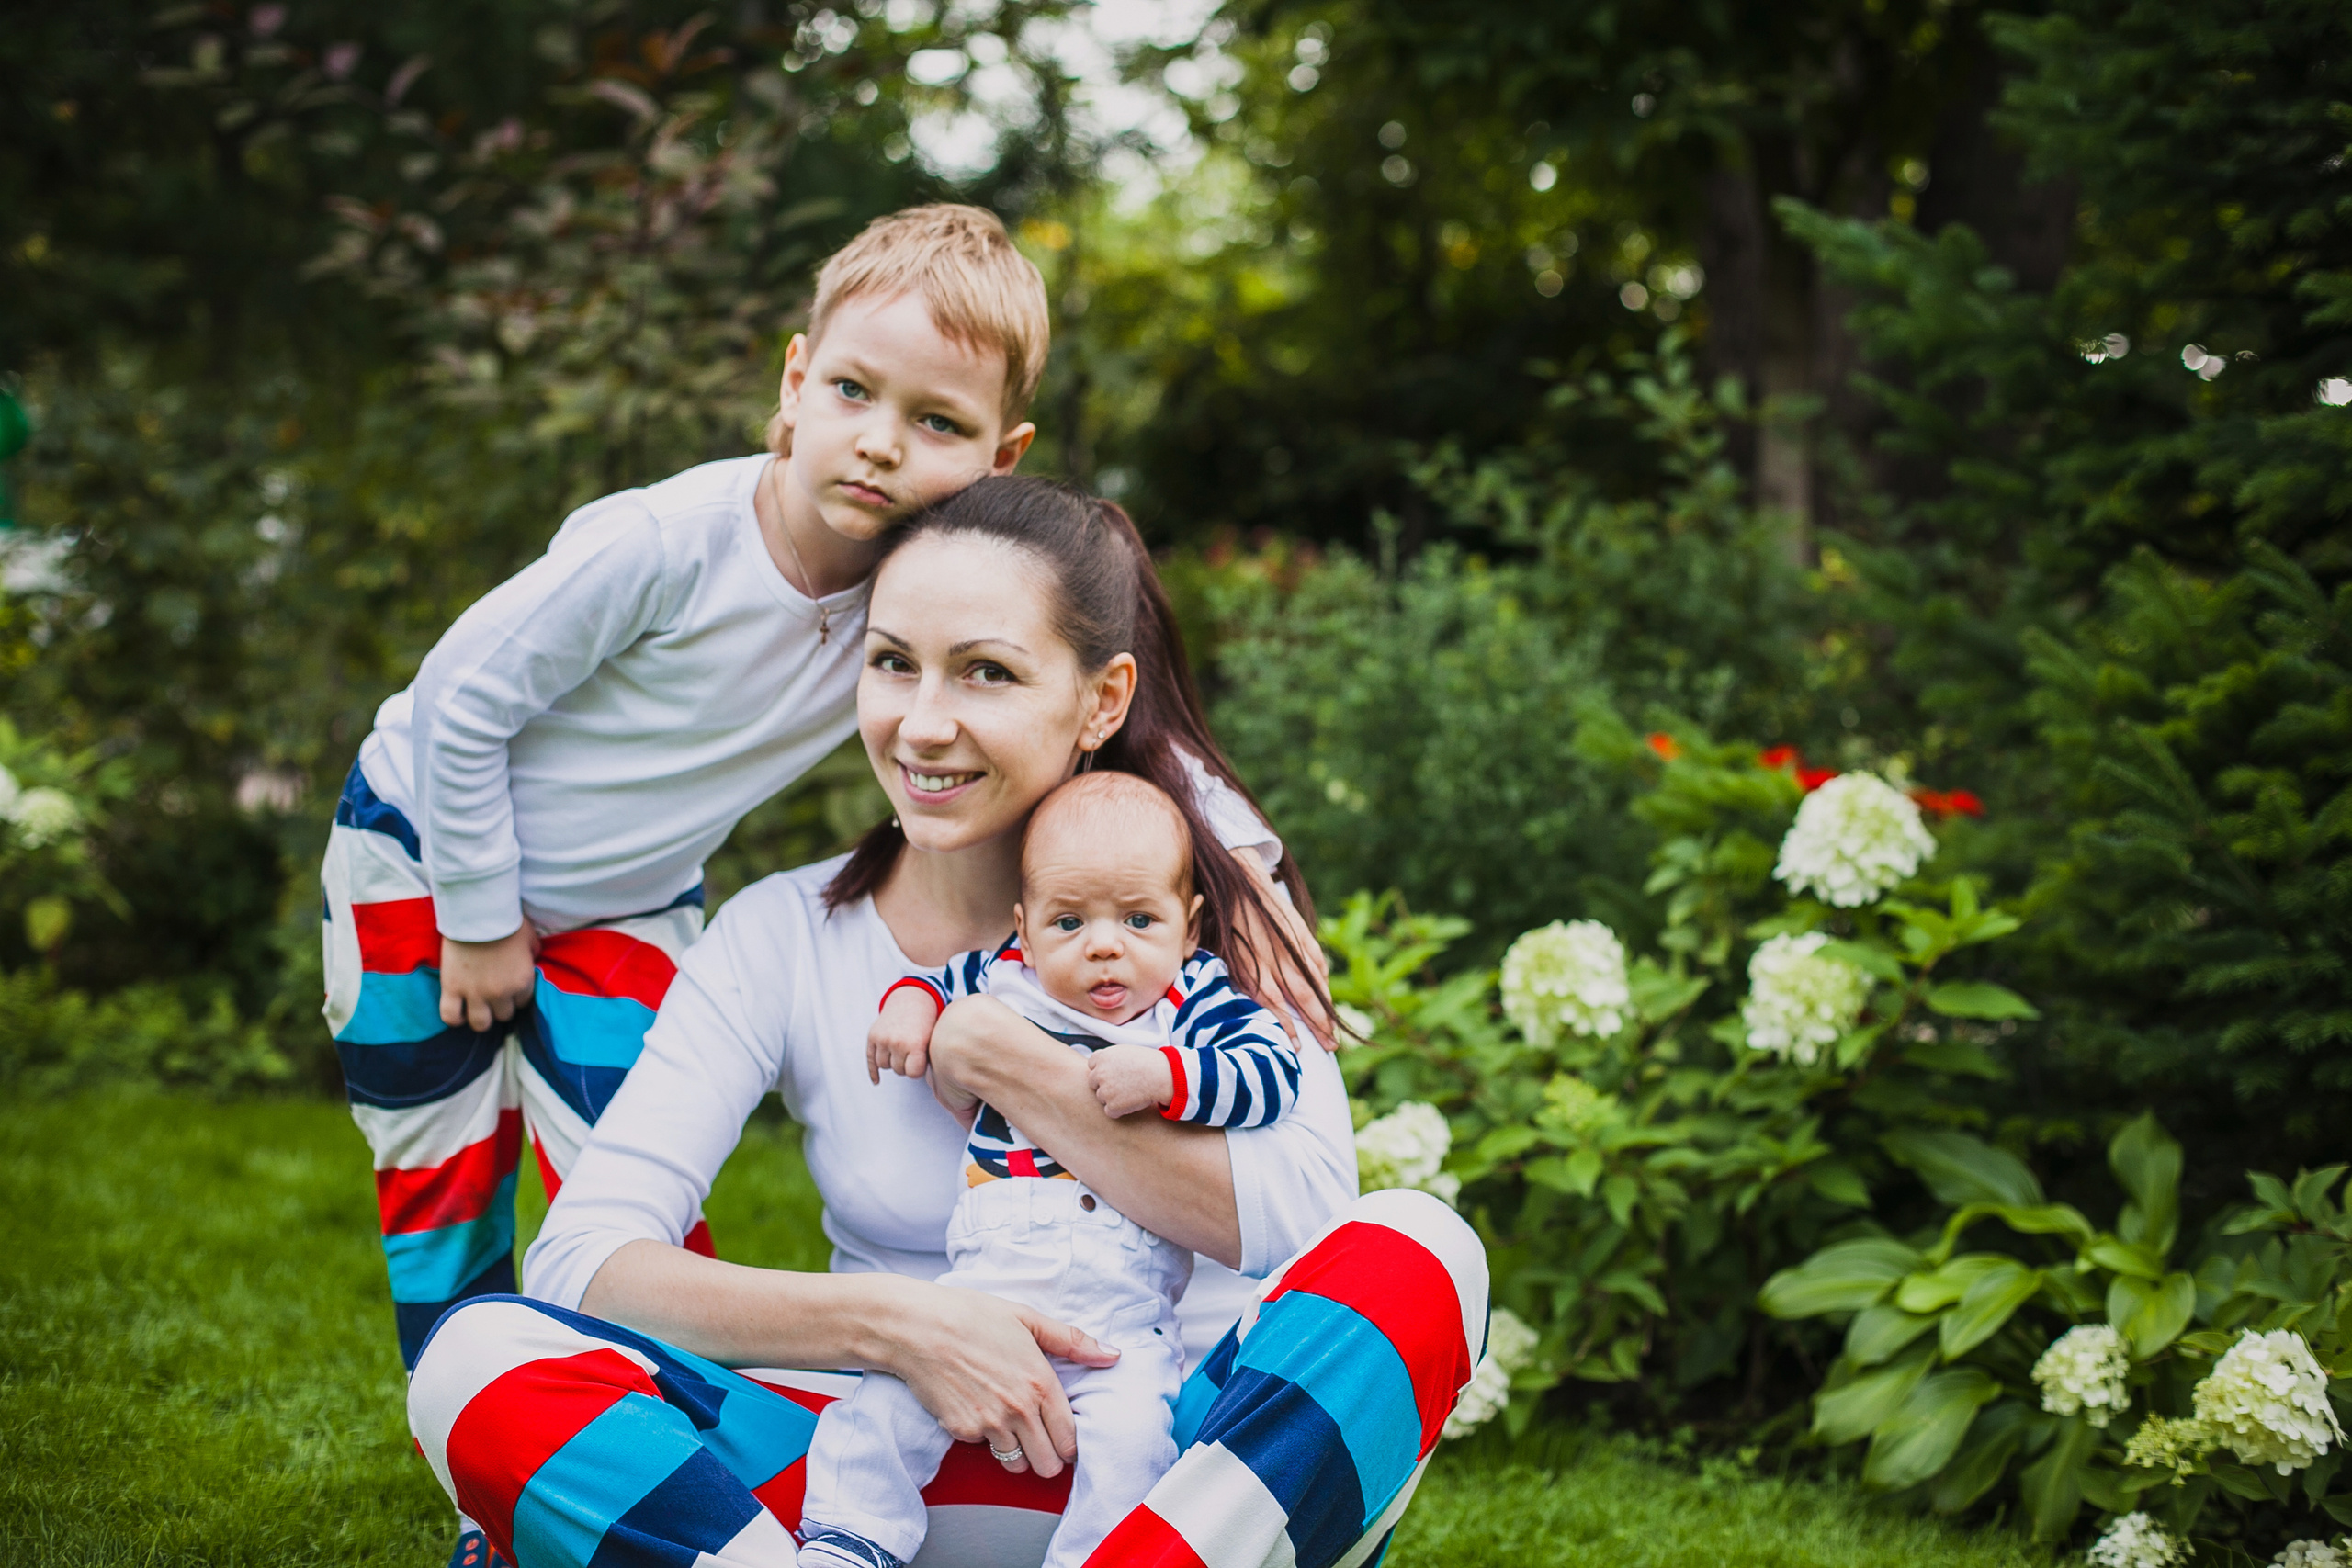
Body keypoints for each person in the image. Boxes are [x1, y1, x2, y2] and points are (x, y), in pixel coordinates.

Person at [404, 477, 1490, 1568]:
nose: (923, 723)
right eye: (892, 662)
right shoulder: (785, 932)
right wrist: (902, 1327)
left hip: (1173, 1476)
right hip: (875, 1472)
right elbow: (581, 1260)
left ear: (1101, 701)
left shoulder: (1208, 915)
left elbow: (1307, 1215)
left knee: (1427, 1251)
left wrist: (1010, 1066)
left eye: (987, 671)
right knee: (476, 1358)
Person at [317, 204, 1049, 1565]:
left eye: (937, 423)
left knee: (631, 1188)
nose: (882, 440)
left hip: (631, 898)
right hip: (425, 852)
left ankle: (637, 1444)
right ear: (792, 382)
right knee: (442, 1169)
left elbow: (1055, 693)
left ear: (999, 458)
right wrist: (479, 916)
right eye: (850, 392)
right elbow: (464, 703)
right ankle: (485, 1467)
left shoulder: (916, 598)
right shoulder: (668, 542)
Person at [797, 770, 1303, 1568]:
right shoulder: (1005, 979)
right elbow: (934, 981)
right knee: (883, 1405)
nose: (1105, 945)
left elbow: (1274, 1073)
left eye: (1140, 918)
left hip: (1121, 1325)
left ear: (1188, 926)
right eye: (1070, 921)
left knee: (1136, 1443)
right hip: (982, 1299)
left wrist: (1172, 1078)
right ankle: (850, 1540)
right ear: (1024, 931)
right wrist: (909, 1007)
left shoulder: (1193, 1001)